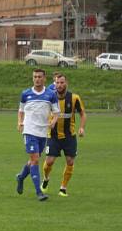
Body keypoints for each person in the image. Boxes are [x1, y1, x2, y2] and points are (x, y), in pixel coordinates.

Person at [16, 68, 60, 201]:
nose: (37, 79)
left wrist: (53, 121)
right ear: (32, 78)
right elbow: (21, 110)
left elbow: (56, 112)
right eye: (35, 77)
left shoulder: (50, 94)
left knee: (33, 160)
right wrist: (20, 122)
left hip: (43, 132)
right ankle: (39, 192)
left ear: (44, 78)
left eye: (40, 77)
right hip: (29, 131)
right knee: (35, 160)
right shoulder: (26, 94)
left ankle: (21, 177)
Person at [42, 73, 86, 197]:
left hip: (69, 136)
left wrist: (81, 128)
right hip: (53, 135)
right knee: (49, 162)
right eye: (57, 83)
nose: (59, 85)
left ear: (66, 83)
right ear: (54, 84)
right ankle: (46, 178)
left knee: (70, 161)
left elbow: (82, 114)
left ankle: (63, 188)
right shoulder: (50, 98)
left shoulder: (74, 98)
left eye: (62, 82)